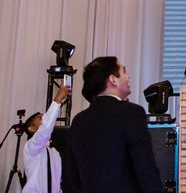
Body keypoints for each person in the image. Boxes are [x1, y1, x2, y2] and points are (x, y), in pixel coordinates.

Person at [65, 56, 162, 193]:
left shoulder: (79, 120)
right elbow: (145, 169)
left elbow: (71, 176)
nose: (128, 77)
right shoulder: (132, 113)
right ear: (113, 79)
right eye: (124, 72)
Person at [22, 85, 70, 193]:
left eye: (44, 117)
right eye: (40, 118)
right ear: (31, 128)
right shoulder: (30, 146)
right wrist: (58, 99)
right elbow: (45, 130)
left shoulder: (54, 152)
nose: (44, 119)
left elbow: (57, 182)